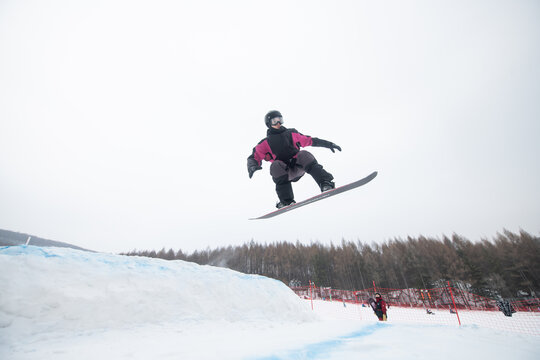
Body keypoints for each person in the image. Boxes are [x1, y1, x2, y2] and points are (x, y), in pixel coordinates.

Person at [247, 110, 341, 208]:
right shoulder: (264, 143)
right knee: (275, 165)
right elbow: (254, 157)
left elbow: (310, 140)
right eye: (275, 121)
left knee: (303, 154)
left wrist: (329, 144)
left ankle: (325, 183)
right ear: (269, 124)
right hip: (285, 173)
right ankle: (286, 201)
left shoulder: (291, 133)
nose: (278, 123)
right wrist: (252, 166)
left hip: (299, 166)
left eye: (280, 119)